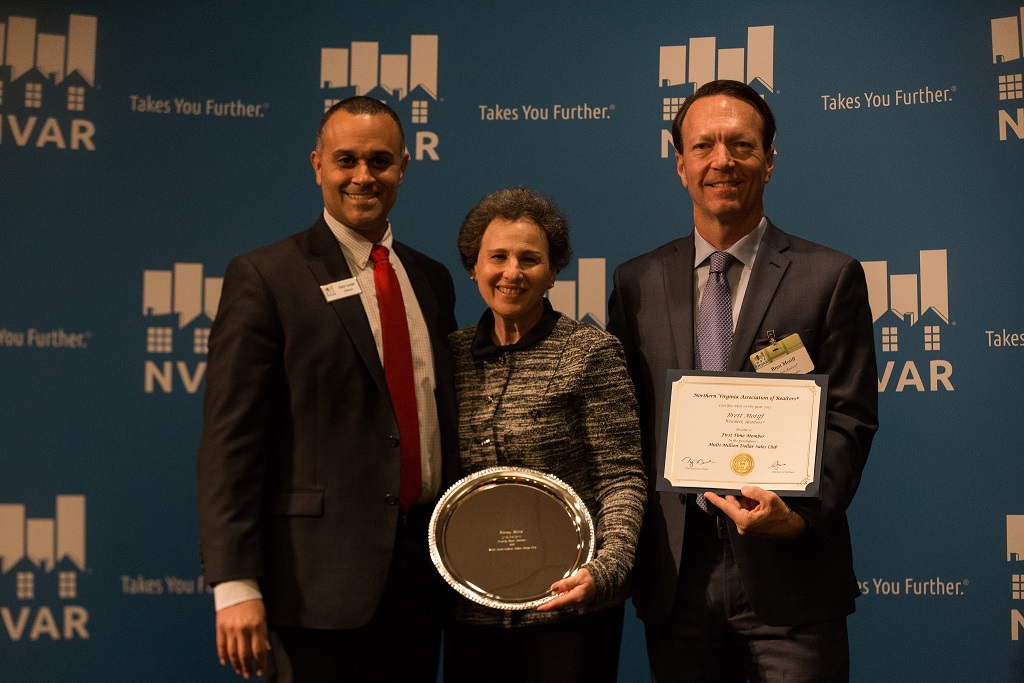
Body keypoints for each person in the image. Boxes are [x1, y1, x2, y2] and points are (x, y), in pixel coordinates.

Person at [607, 80, 878, 681]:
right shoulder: (636, 283)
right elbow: (622, 427)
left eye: (741, 145)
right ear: (680, 164)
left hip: (792, 573)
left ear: (770, 160)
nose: (722, 161)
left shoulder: (829, 277)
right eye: (703, 146)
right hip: (677, 575)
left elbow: (850, 417)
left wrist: (800, 515)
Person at [196, 96, 458, 682]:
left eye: (380, 160)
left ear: (405, 167)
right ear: (317, 165)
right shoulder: (265, 277)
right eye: (346, 160)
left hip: (424, 575)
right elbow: (228, 443)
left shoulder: (432, 279)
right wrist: (234, 583)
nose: (363, 176)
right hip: (314, 585)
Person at [444, 187, 646, 683]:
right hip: (472, 605)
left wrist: (605, 570)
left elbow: (622, 477)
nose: (511, 272)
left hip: (569, 606)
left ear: (554, 271)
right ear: (473, 267)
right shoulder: (448, 355)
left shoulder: (590, 352)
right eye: (498, 257)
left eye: (530, 259)